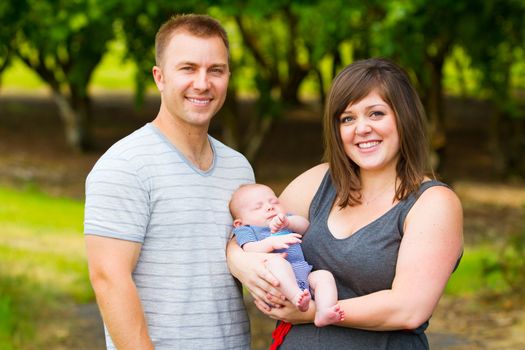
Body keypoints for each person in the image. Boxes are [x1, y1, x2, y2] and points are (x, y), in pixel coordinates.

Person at [227, 58, 463, 349]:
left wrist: (313, 312)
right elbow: (246, 231)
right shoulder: (318, 181)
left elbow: (409, 309)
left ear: (405, 118)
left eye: (375, 114)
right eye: (347, 118)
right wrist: (242, 265)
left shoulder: (433, 202)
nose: (361, 128)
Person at [84, 14, 255, 349]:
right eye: (188, 68)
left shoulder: (239, 169)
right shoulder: (124, 166)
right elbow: (108, 279)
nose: (203, 83)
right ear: (159, 77)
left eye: (215, 70)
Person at [229, 183, 345, 327]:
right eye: (258, 207)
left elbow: (306, 227)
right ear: (239, 223)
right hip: (279, 282)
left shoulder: (285, 221)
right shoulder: (246, 229)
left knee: (323, 275)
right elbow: (250, 249)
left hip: (303, 273)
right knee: (277, 262)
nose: (269, 207)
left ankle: (324, 311)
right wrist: (271, 243)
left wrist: (289, 222)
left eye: (274, 202)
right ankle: (297, 297)